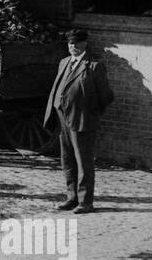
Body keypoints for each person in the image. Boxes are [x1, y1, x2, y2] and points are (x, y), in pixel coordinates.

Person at [43, 28, 114, 214]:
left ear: (85, 44)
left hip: (82, 120)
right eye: (70, 44)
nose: (72, 47)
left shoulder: (94, 66)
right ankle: (71, 198)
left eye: (76, 43)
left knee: (83, 161)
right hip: (62, 119)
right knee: (67, 160)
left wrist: (90, 115)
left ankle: (86, 202)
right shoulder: (64, 62)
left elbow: (106, 96)